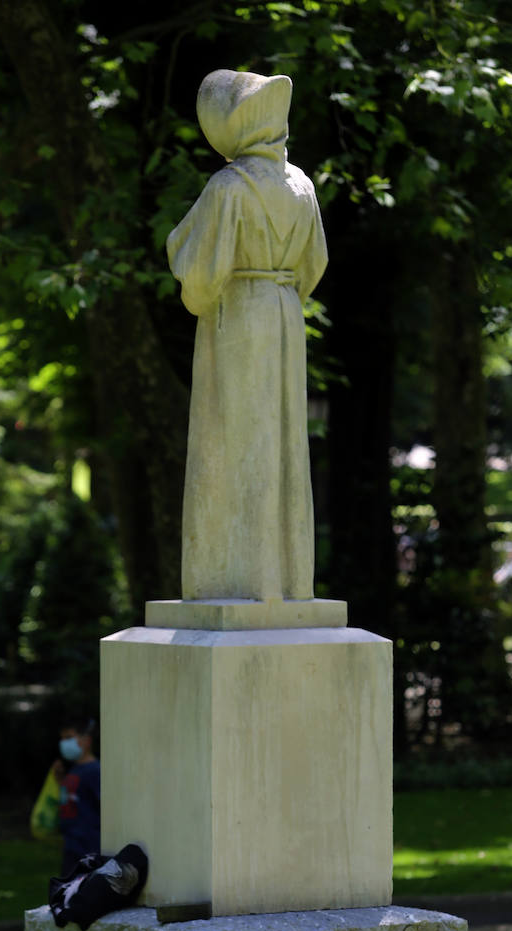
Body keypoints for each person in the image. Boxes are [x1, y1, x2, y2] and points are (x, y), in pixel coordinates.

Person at [166, 69, 328, 602]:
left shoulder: (230, 185)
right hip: (284, 313)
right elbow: (316, 264)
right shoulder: (301, 185)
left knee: (234, 440)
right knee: (282, 442)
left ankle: (235, 580)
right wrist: (281, 292)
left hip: (238, 317)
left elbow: (201, 278)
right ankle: (285, 581)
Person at [54, 717, 101, 875]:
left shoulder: (95, 771)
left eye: (68, 738)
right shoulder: (75, 770)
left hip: (88, 848)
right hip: (72, 845)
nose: (63, 743)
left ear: (86, 740)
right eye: (62, 738)